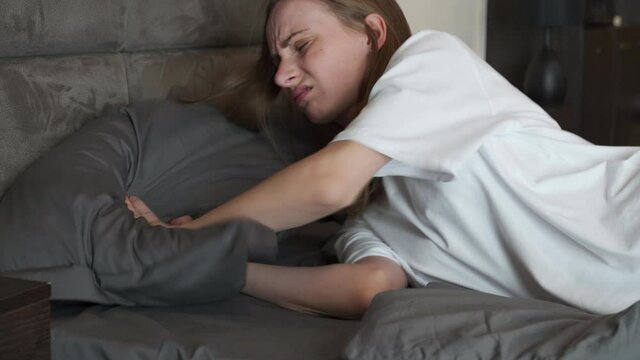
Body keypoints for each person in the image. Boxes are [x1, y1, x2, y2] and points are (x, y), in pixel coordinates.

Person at [127, 0, 640, 318]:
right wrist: (220, 265)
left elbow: (327, 183)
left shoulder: (432, 60)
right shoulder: (371, 213)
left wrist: (187, 238)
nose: (283, 75)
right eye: (278, 61)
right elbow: (367, 287)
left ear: (372, 33)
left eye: (301, 46)